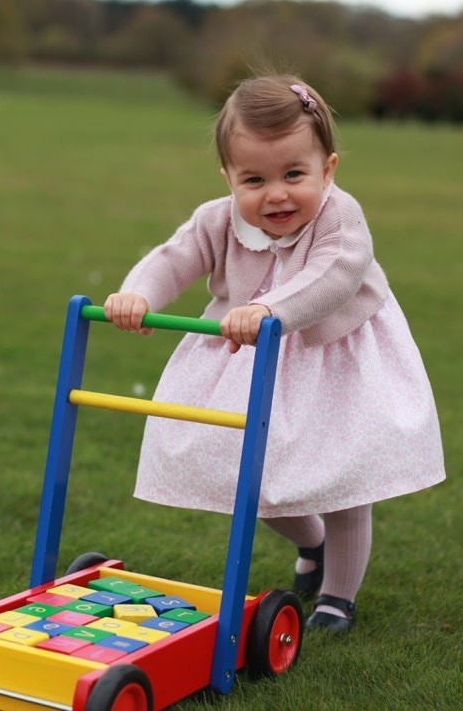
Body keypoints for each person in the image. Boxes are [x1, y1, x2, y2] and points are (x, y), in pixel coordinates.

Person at [104, 73, 445, 633]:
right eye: (254, 179)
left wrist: (268, 309)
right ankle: (312, 545)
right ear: (229, 177)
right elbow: (174, 256)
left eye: (293, 174)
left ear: (327, 168)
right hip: (255, 357)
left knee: (341, 480)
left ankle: (338, 597)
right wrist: (139, 293)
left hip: (336, 358)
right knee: (253, 478)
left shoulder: (340, 217)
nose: (277, 194)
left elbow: (334, 274)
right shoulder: (218, 219)